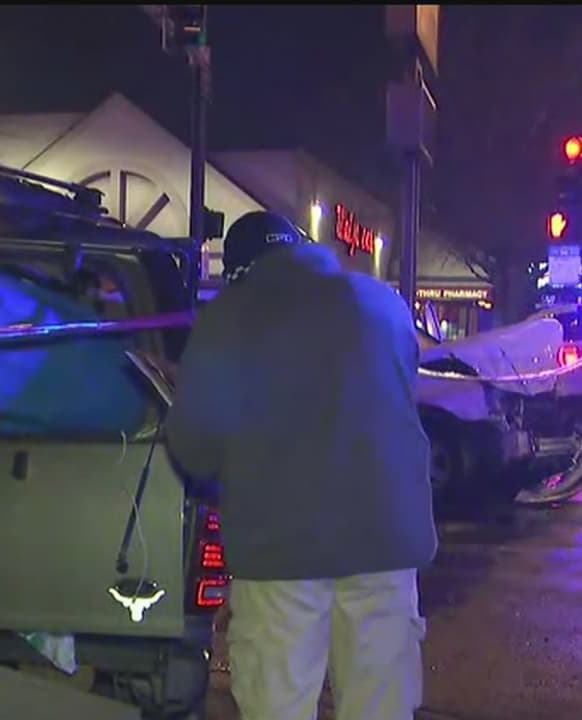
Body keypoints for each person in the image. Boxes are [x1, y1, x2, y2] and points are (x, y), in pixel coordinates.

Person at [165, 211, 438, 720]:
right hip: (387, 541)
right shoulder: (384, 303)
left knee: (279, 703)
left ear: (239, 269)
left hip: (282, 550)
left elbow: (195, 446)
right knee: (381, 704)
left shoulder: (230, 316)